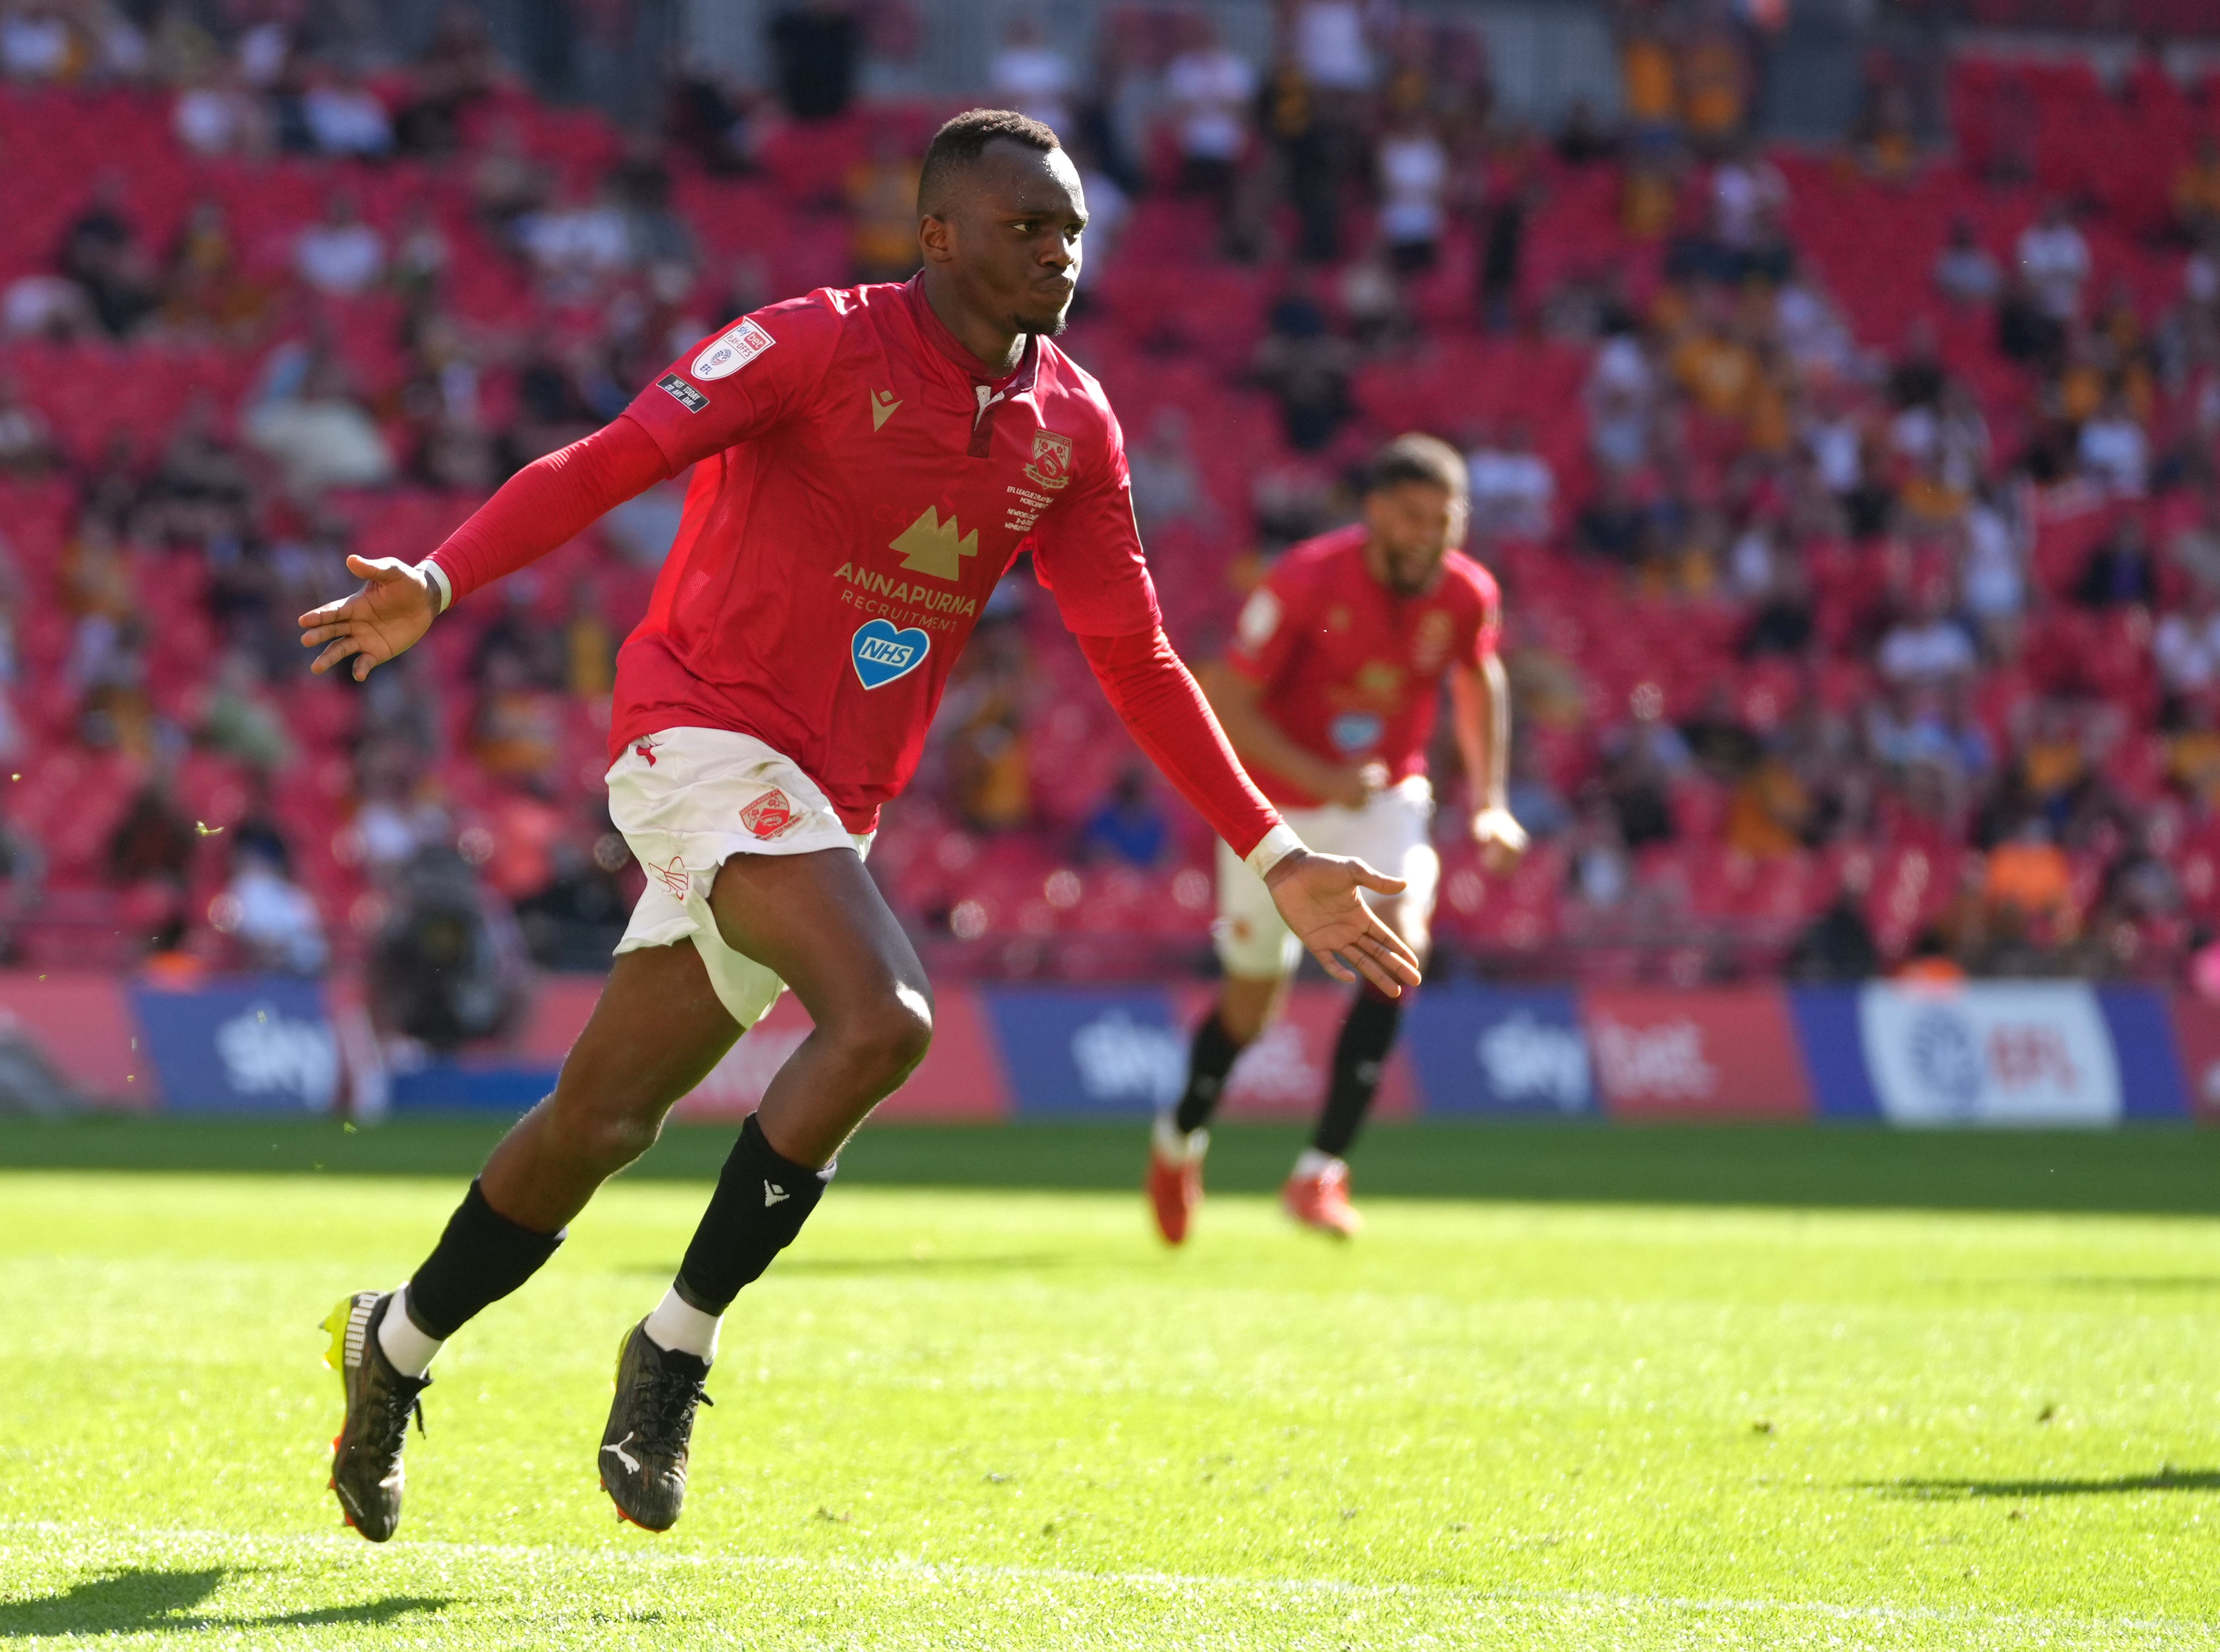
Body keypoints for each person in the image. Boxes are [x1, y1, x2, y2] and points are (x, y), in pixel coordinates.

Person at [293, 109, 1418, 1543]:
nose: (1058, 253)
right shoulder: (811, 344)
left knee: (603, 1118)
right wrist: (442, 584)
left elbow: (1134, 656)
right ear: (936, 235)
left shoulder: (1070, 426)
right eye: (1026, 227)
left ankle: (387, 1347)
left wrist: (1277, 854)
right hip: (694, 738)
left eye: (1072, 229)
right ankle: (676, 1348)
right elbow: (617, 457)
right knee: (885, 1017)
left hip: (828, 807)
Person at [1143, 433, 1524, 1243]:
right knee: (1250, 1006)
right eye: (1413, 516)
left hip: (1383, 795)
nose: (1429, 535)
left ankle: (1319, 1172)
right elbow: (1226, 708)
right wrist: (1319, 783)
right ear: (1376, 512)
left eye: (1445, 521)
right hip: (1271, 812)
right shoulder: (1304, 581)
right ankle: (1178, 1140)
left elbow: (1477, 675)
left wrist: (1489, 800)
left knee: (1395, 954)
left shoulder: (1466, 593)